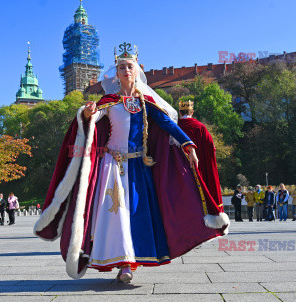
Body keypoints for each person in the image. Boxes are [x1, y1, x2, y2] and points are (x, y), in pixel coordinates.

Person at [34, 42, 229, 282]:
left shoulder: (146, 102)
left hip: (139, 167)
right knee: (115, 215)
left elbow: (168, 124)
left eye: (130, 66)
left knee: (135, 215)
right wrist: (86, 113)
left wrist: (188, 144)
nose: (126, 70)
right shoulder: (109, 101)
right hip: (111, 166)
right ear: (116, 73)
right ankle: (123, 265)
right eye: (122, 67)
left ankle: (131, 262)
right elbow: (93, 118)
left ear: (137, 71)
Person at [177, 99, 226, 217]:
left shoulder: (175, 126)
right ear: (192, 112)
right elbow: (210, 148)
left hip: (179, 167)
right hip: (199, 166)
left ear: (180, 112)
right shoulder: (200, 127)